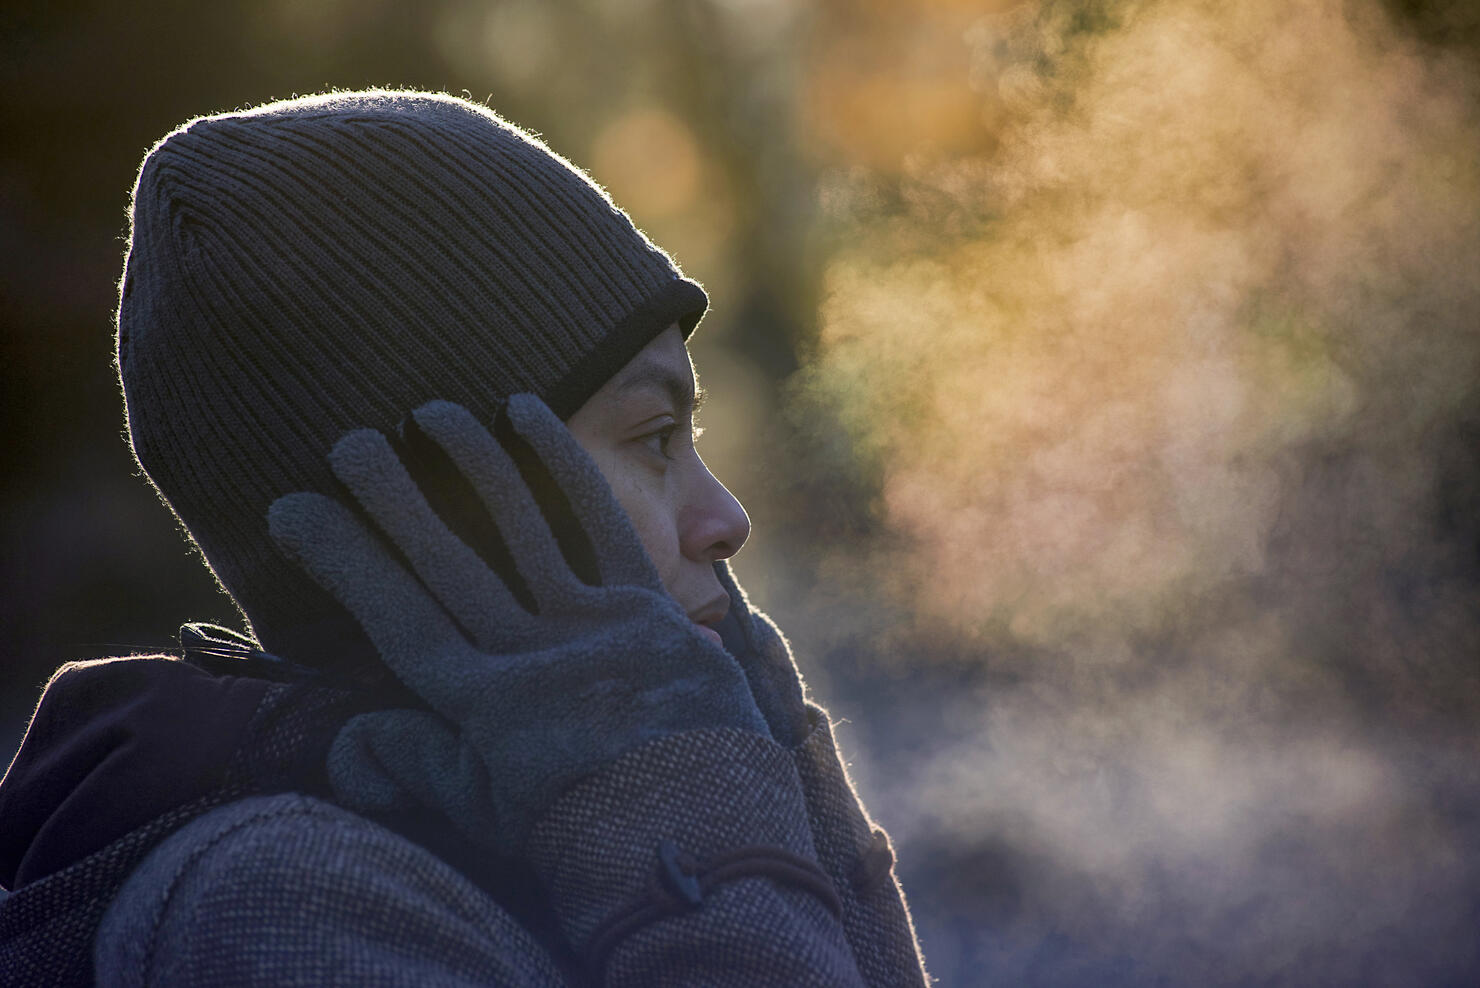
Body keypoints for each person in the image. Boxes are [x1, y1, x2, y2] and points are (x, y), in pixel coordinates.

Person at [0, 90, 928, 986]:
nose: (727, 519)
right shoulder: (284, 907)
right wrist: (697, 825)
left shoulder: (537, 808)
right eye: (653, 438)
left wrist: (775, 774)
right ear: (446, 500)